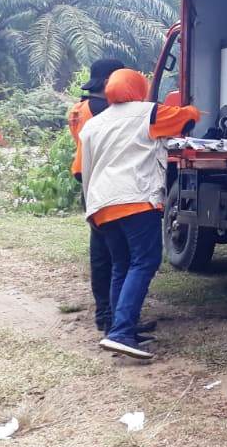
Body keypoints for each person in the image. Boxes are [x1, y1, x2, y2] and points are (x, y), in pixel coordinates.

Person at [79, 69, 200, 360]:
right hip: (134, 199)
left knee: (122, 265)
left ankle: (119, 330)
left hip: (101, 203)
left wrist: (90, 207)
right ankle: (122, 332)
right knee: (145, 261)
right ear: (138, 88)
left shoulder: (95, 124)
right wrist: (193, 107)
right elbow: (189, 117)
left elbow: (86, 167)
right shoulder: (149, 113)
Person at [68, 57, 125, 334]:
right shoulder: (106, 110)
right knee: (115, 254)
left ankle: (106, 314)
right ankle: (112, 316)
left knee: (101, 252)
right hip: (104, 181)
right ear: (108, 82)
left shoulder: (79, 108)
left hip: (87, 178)